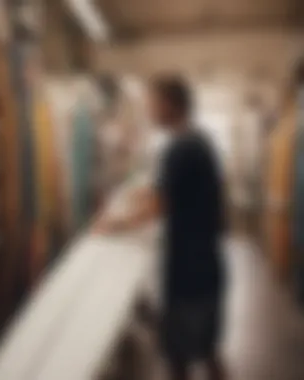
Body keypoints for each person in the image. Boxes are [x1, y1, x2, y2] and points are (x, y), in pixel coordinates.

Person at [94, 77, 226, 380]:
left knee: (180, 357)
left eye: (152, 104)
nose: (149, 111)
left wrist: (114, 224)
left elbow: (159, 205)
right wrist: (136, 195)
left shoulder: (179, 148)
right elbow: (168, 191)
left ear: (169, 105)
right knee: (208, 349)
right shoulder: (199, 141)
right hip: (205, 264)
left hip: (188, 271)